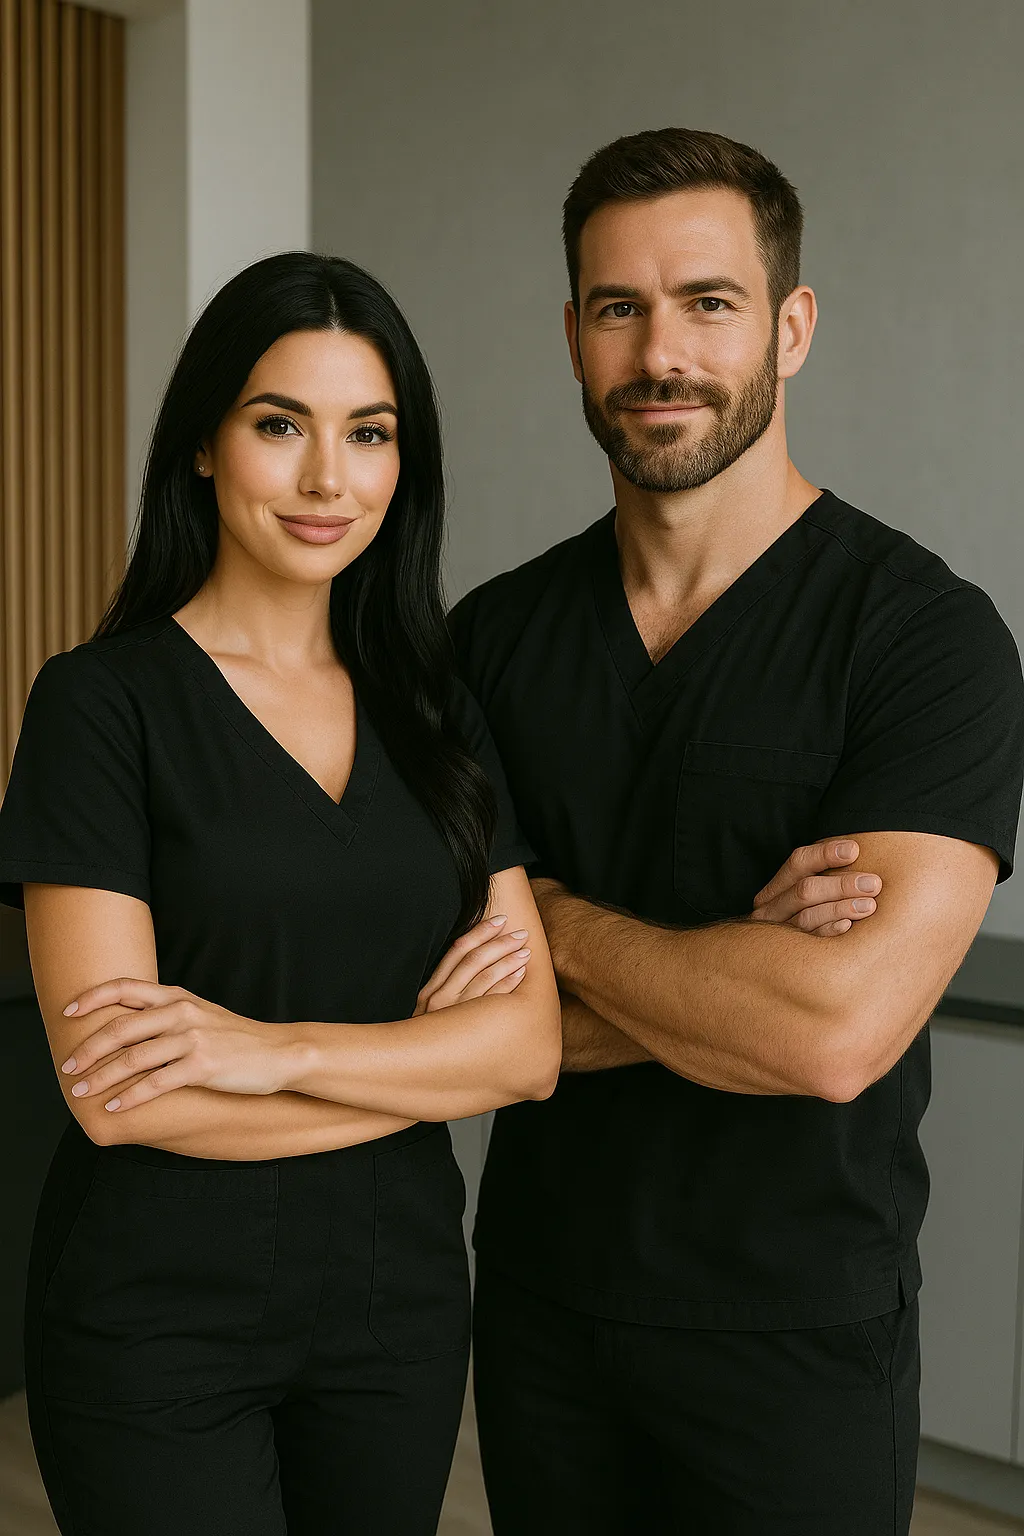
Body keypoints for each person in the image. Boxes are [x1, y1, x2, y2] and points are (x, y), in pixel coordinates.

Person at [450, 128, 1024, 1536]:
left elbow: (832, 1036)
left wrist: (551, 919)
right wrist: (741, 972)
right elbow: (434, 1005)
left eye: (709, 302)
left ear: (792, 325)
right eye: (618, 307)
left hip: (797, 1335)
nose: (663, 353)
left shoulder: (926, 639)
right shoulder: (488, 643)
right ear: (572, 336)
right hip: (539, 1315)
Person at [0, 252, 564, 1536]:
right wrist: (424, 1060)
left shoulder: (438, 717)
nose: (329, 480)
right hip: (156, 1317)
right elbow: (115, 1096)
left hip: (396, 1308)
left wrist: (266, 1053)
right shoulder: (102, 706)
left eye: (369, 434)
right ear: (203, 444)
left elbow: (528, 1052)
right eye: (278, 426)